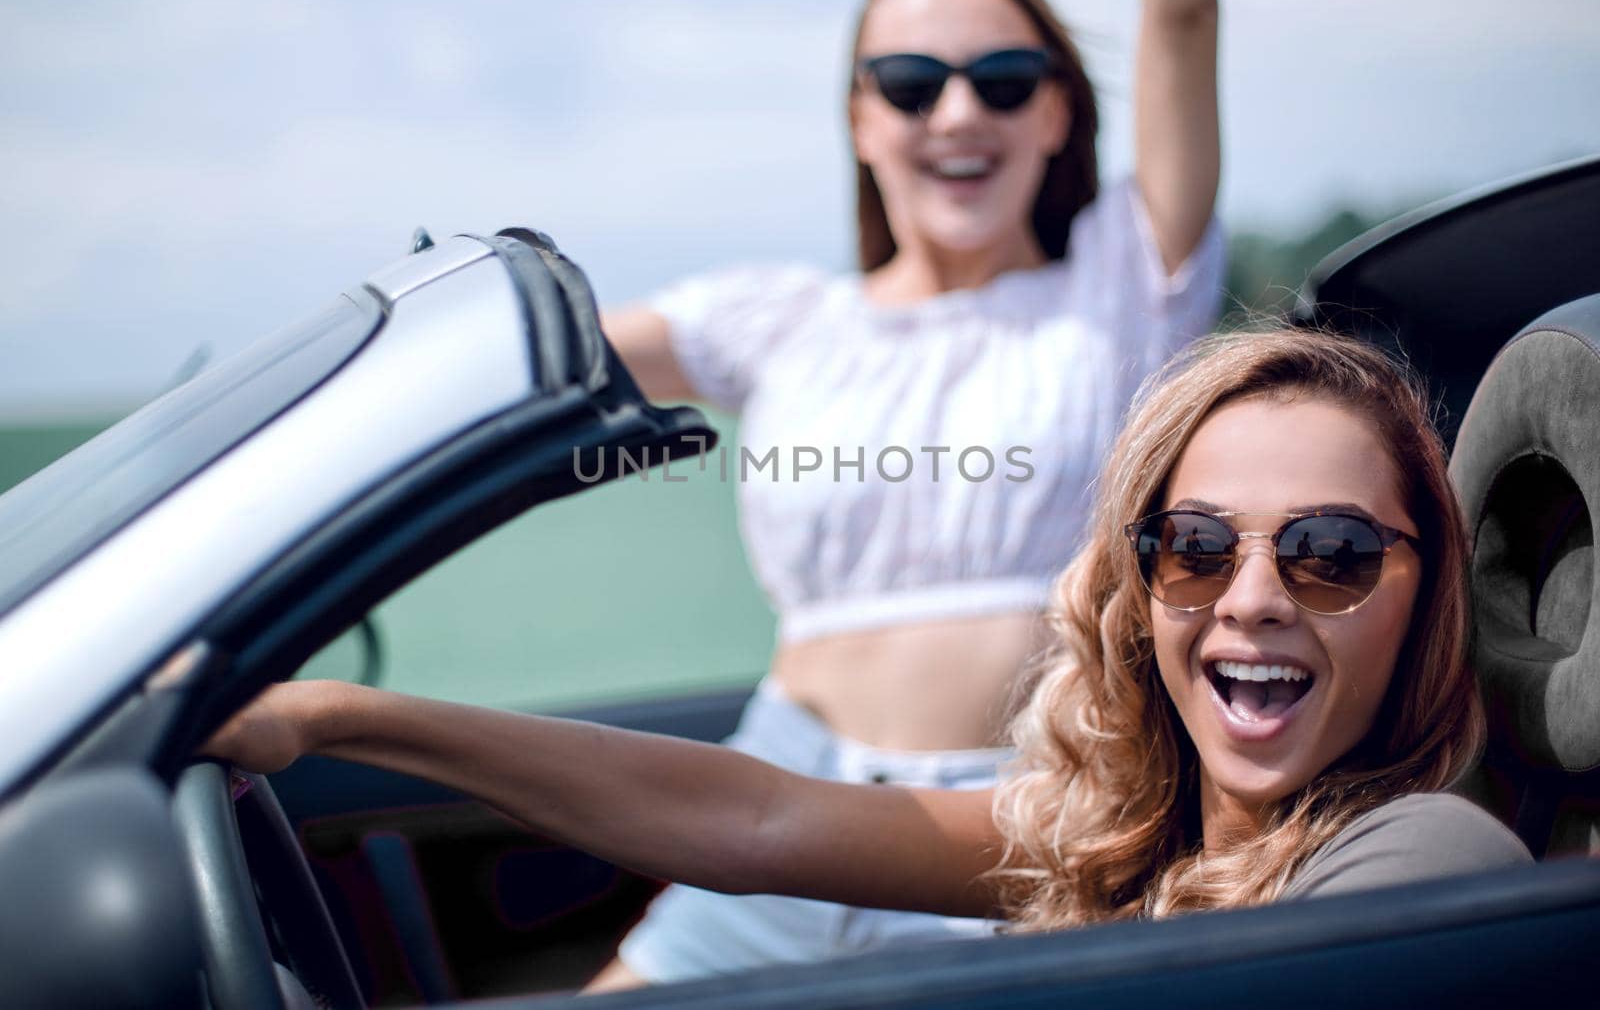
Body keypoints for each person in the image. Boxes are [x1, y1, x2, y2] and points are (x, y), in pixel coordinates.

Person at [206, 330, 1530, 961]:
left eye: (1333, 554)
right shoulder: (1137, 835)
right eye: (1195, 543)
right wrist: (340, 718)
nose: (1250, 596)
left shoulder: (1423, 866)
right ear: (1140, 584)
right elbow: (764, 820)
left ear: (1428, 594)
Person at [584, 0, 1222, 984]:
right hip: (770, 822)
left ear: (1060, 112)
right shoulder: (778, 320)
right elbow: (509, 370)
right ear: (858, 119)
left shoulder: (1124, 281)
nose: (958, 111)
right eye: (912, 83)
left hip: (1026, 842)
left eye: (1006, 79)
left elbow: (1183, 7)